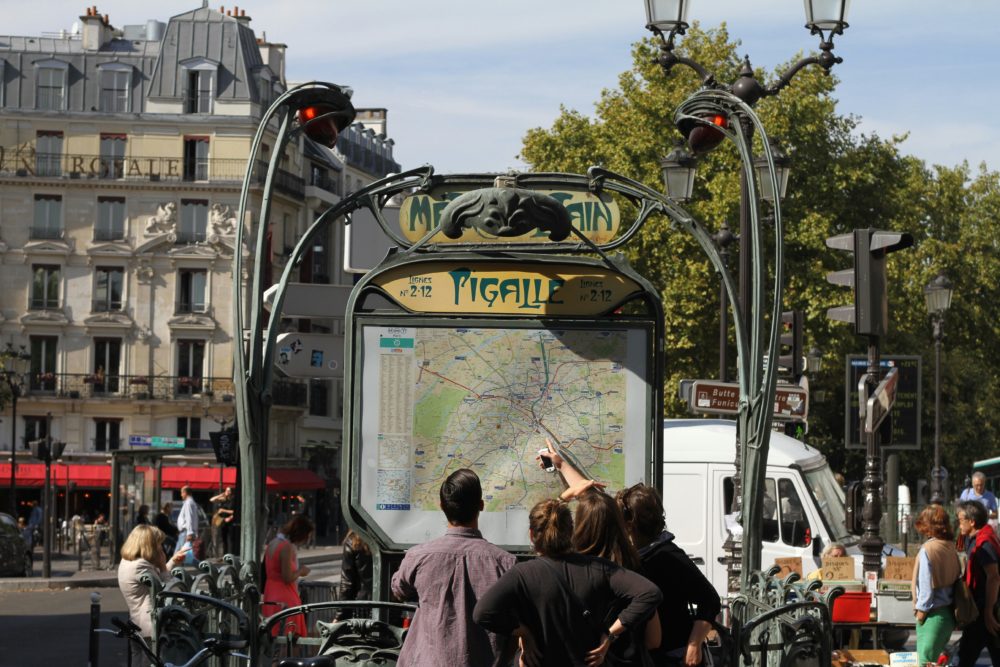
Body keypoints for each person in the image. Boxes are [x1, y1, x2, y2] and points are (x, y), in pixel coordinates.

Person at [474, 497, 662, 667]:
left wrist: (523, 632)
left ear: (532, 535)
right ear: (571, 531)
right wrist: (610, 635)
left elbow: (483, 613)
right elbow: (650, 593)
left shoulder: (522, 574)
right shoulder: (600, 569)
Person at [541, 439, 660, 666]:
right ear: (618, 523)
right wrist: (561, 465)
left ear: (581, 526)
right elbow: (654, 640)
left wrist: (562, 498)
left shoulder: (568, 573)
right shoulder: (634, 572)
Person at [391, 469, 517, 666]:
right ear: (481, 505)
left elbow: (399, 590)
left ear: (442, 506)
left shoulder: (418, 556)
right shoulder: (505, 563)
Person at [616, 483, 721, 667]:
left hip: (673, 654)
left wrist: (694, 644)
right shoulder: (636, 554)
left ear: (632, 522)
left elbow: (710, 599)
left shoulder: (667, 555)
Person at [118, 524, 189, 666]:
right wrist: (163, 566)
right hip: (149, 626)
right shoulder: (141, 566)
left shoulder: (127, 562)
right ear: (149, 545)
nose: (160, 549)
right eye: (158, 544)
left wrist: (171, 562)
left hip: (136, 622)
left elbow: (154, 580)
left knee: (138, 661)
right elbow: (170, 591)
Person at [911, 504, 961, 666]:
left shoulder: (928, 549)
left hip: (932, 616)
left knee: (925, 663)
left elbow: (926, 588)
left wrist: (920, 615)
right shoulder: (950, 547)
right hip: (947, 615)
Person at [956, 500, 1000, 666]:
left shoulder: (985, 543)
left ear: (972, 522)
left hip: (986, 610)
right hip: (981, 609)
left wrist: (989, 611)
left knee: (966, 656)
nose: (958, 524)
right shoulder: (974, 538)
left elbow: (994, 577)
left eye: (961, 520)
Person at [262, 514, 313, 638]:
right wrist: (301, 571)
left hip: (270, 595)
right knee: (290, 640)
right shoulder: (286, 547)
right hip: (286, 598)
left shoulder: (272, 543)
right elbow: (287, 577)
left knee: (273, 637)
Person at [336, 529, 373, 620]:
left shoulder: (354, 541)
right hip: (389, 607)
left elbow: (347, 583)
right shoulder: (389, 538)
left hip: (362, 608)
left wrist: (340, 615)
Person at [209, 487, 235, 558]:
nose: (227, 492)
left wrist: (224, 511)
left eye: (229, 491)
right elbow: (211, 500)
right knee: (223, 538)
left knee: (229, 538)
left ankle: (230, 554)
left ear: (231, 492)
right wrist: (220, 495)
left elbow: (234, 511)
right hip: (221, 520)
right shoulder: (223, 499)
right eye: (226, 490)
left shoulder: (233, 500)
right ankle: (224, 555)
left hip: (229, 520)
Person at [174, 486, 198, 557]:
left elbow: (189, 518)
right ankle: (201, 566)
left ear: (185, 493)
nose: (181, 495)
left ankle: (201, 566)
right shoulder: (190, 502)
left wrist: (189, 533)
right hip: (185, 532)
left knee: (178, 555)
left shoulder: (188, 503)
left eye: (182, 493)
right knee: (183, 556)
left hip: (185, 532)